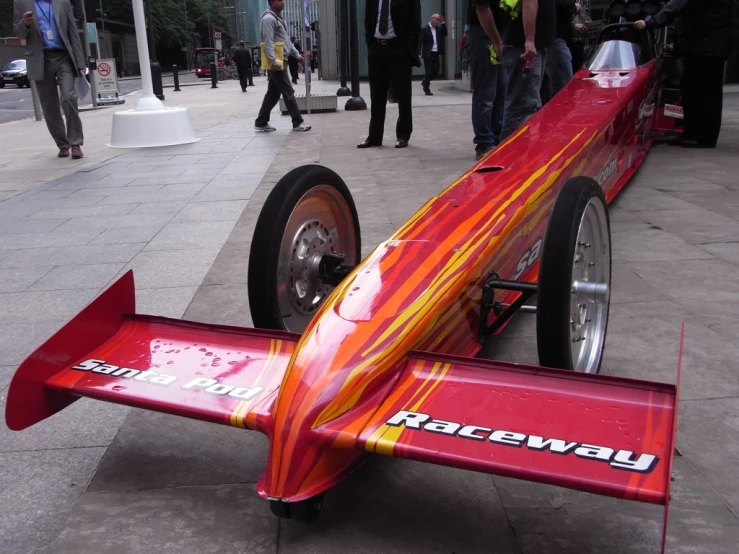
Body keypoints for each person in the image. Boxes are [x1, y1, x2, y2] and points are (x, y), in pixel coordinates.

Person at [635, 0, 734, 148]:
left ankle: (703, 137)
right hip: (706, 43)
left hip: (706, 44)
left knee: (703, 92)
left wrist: (652, 23)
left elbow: (679, 4)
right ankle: (691, 132)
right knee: (693, 90)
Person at [13, 0, 86, 159]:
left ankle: (75, 143)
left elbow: (73, 32)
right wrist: (24, 24)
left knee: (68, 97)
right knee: (49, 105)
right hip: (40, 58)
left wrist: (80, 62)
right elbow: (18, 33)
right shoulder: (21, 3)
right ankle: (63, 144)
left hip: (63, 57)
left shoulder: (63, 2)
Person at [358, 0, 422, 149]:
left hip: (399, 50)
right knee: (377, 95)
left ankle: (403, 135)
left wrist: (408, 48)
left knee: (403, 95)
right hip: (376, 49)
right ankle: (374, 137)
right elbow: (369, 20)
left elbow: (415, 24)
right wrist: (370, 42)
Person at [499, 0, 556, 140]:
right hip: (524, 48)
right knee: (522, 106)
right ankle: (511, 157)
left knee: (526, 104)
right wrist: (529, 40)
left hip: (534, 46)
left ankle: (516, 154)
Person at [254, 0, 311, 133]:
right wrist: (274, 61)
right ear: (272, 2)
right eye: (280, 0)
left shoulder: (279, 19)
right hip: (277, 62)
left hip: (282, 59)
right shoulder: (268, 19)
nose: (283, 2)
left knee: (273, 93)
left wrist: (296, 54)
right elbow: (267, 41)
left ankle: (261, 122)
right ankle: (297, 122)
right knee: (288, 91)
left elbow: (286, 40)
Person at [467, 0, 507, 160]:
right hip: (484, 33)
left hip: (497, 33)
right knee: (486, 93)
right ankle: (485, 143)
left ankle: (496, 139)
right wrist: (497, 42)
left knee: (499, 91)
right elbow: (482, 8)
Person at [541, 0, 578, 105]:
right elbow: (561, 5)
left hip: (550, 39)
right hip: (554, 39)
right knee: (564, 89)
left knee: (546, 89)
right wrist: (574, 7)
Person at [420, 13, 447, 96]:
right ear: (432, 19)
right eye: (437, 20)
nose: (438, 22)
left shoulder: (438, 29)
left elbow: (445, 33)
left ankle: (425, 81)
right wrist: (417, 52)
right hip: (428, 53)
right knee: (428, 72)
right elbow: (420, 41)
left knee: (436, 71)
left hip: (436, 53)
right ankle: (426, 89)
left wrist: (443, 22)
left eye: (439, 20)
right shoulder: (425, 29)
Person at [568, 0, 590, 74]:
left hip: (580, 40)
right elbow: (560, 16)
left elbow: (587, 14)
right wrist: (573, 25)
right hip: (568, 39)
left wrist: (588, 24)